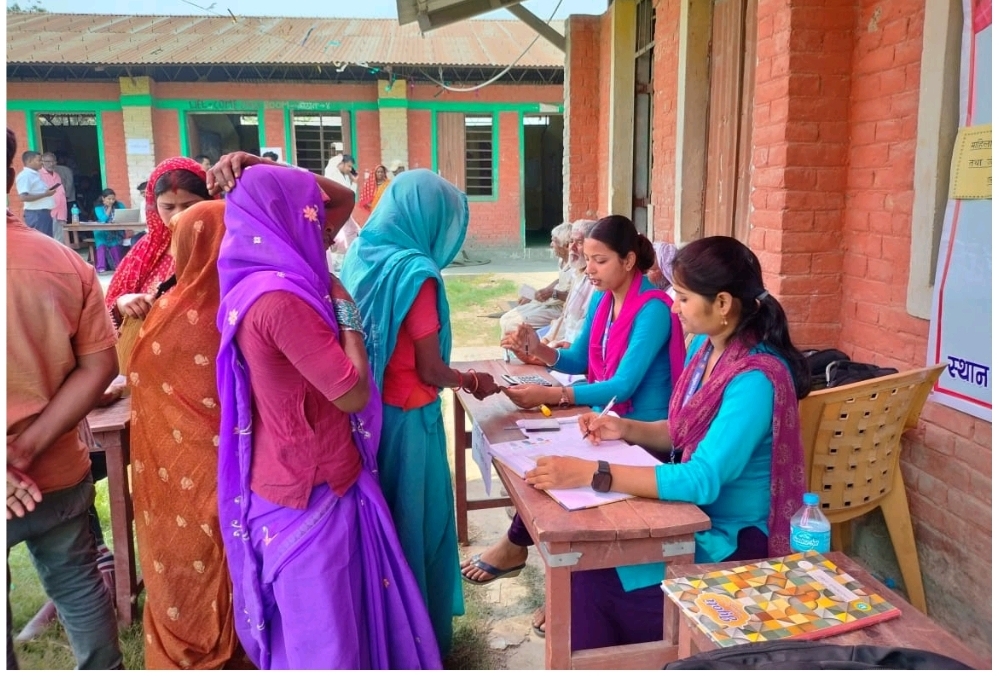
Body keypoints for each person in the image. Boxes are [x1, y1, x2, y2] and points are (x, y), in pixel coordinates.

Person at [526, 235, 810, 651]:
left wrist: (593, 472)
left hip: (732, 537)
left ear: (724, 304)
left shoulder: (755, 379)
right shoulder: (707, 347)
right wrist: (624, 429)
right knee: (587, 568)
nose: (673, 307)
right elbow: (682, 431)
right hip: (690, 518)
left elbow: (704, 478)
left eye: (682, 297)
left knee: (591, 584)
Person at [215, 163, 441, 670]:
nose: (322, 223)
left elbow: (339, 202)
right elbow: (353, 393)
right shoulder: (281, 300)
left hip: (319, 475)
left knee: (342, 621)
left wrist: (259, 163)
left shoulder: (265, 275)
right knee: (326, 641)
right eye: (309, 212)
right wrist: (345, 308)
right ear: (284, 216)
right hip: (308, 487)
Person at [462, 215, 686, 636]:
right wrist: (539, 352)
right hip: (609, 423)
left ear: (629, 260)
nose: (589, 271)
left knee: (563, 479)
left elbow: (622, 384)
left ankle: (554, 578)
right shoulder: (605, 300)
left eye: (599, 261)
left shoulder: (654, 308)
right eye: (586, 261)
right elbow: (581, 359)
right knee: (540, 465)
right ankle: (546, 570)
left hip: (645, 436)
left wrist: (555, 396)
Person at [341, 169, 502, 656]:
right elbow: (431, 370)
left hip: (370, 419)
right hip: (411, 423)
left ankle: (387, 633)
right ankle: (419, 638)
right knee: (420, 526)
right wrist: (472, 381)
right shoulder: (414, 273)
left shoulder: (362, 255)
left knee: (387, 524)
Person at [6, 127, 123, 670]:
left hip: (29, 470)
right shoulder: (62, 262)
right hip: (55, 465)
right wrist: (28, 446)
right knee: (78, 583)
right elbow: (100, 366)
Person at [127, 200, 248, 669]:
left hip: (172, 477)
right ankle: (239, 648)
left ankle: (186, 646)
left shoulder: (163, 311)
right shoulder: (247, 305)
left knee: (183, 562)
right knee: (228, 555)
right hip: (231, 471)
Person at [104, 157, 212, 329]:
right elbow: (109, 305)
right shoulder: (145, 250)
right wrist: (123, 303)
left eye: (189, 206)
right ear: (154, 206)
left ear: (211, 201)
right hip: (149, 350)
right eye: (168, 207)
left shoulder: (224, 246)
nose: (178, 216)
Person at [499, 222, 572, 335]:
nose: (551, 245)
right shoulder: (562, 260)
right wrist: (536, 294)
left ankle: (519, 351)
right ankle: (508, 352)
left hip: (562, 310)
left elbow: (576, 297)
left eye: (554, 241)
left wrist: (553, 294)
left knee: (513, 324)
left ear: (566, 245)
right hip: (550, 303)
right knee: (505, 318)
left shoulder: (577, 268)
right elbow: (560, 280)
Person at [540, 219, 598, 347]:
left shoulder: (595, 282)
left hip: (574, 348)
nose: (572, 248)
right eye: (571, 241)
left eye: (579, 242)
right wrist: (546, 341)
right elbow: (565, 317)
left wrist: (551, 348)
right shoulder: (576, 273)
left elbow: (584, 331)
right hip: (564, 340)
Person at [15, 150, 57, 237]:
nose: (41, 163)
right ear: (29, 161)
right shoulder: (25, 176)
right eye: (39, 160)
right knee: (42, 242)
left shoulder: (35, 175)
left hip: (43, 214)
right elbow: (23, 197)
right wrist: (45, 194)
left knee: (47, 242)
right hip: (36, 214)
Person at [92, 189, 126, 273]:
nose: (111, 201)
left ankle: (118, 266)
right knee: (101, 244)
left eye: (113, 199)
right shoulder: (98, 208)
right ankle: (101, 267)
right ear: (103, 198)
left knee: (115, 245)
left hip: (115, 232)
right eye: (109, 199)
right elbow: (103, 220)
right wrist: (109, 208)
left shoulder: (120, 205)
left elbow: (125, 216)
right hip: (101, 232)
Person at [39, 152, 67, 245]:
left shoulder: (57, 175)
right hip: (50, 212)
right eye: (48, 161)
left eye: (53, 161)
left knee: (61, 238)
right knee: (50, 238)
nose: (51, 164)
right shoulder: (39, 175)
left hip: (61, 211)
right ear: (42, 162)